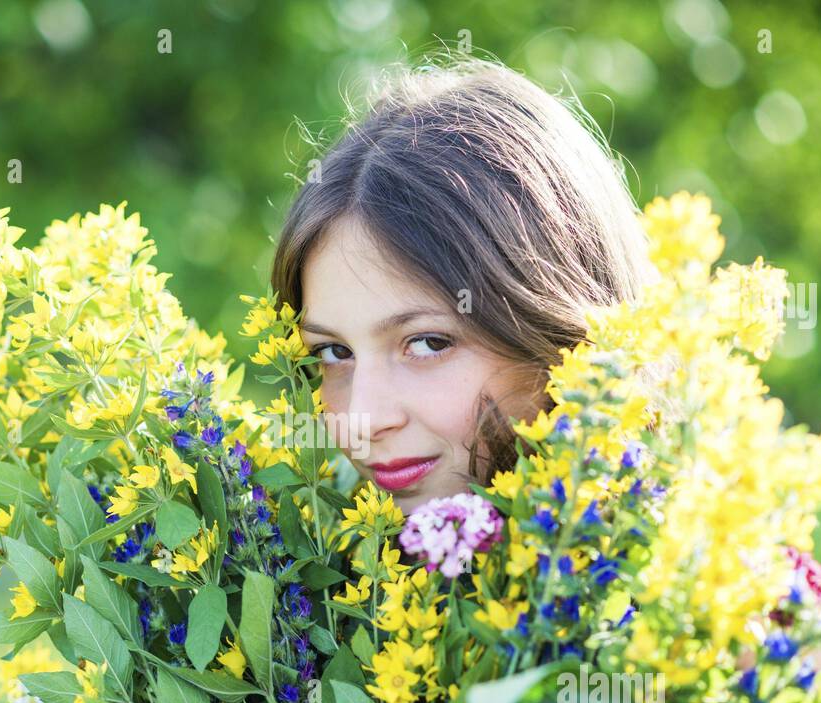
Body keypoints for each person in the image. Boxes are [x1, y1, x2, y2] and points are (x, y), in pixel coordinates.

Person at [271, 52, 655, 516]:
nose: (362, 420)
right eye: (334, 353)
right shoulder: (307, 562)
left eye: (428, 342)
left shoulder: (709, 578)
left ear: (565, 334)